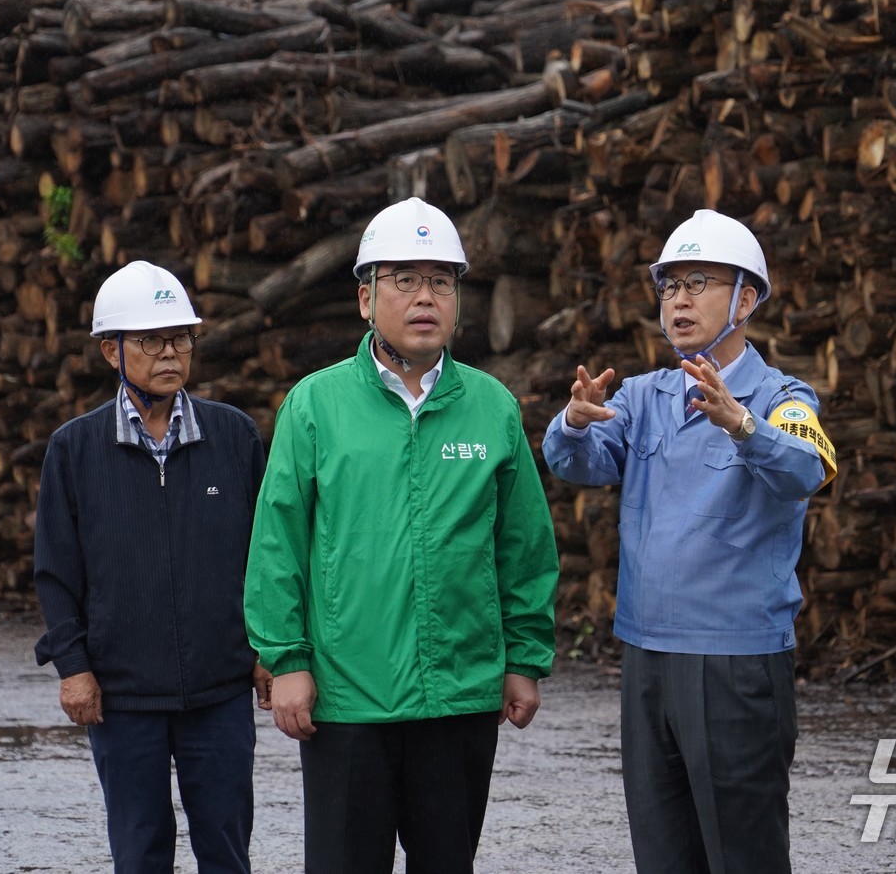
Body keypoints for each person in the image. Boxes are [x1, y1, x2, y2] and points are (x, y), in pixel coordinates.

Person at [243, 197, 559, 874]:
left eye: (441, 281)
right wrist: (287, 657)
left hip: (459, 695)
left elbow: (524, 546)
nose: (425, 297)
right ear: (366, 298)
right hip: (347, 696)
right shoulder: (316, 404)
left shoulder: (491, 406)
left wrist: (525, 657)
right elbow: (277, 543)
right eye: (404, 280)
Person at [542, 209, 836, 874]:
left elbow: (806, 469)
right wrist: (573, 421)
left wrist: (743, 425)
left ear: (746, 298)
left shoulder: (783, 395)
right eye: (669, 286)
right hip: (647, 654)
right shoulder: (645, 395)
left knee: (743, 851)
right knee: (662, 847)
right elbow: (576, 463)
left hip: (736, 661)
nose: (678, 299)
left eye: (698, 282)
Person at [33, 261, 270, 874]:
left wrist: (272, 648)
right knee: (139, 852)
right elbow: (55, 571)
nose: (170, 353)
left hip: (219, 690)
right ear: (111, 352)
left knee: (226, 847)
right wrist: (74, 667)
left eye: (180, 338)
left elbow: (269, 555)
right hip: (121, 694)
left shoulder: (234, 435)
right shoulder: (75, 449)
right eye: (150, 341)